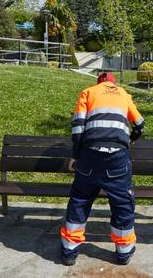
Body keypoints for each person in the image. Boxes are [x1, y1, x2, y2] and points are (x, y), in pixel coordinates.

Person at [60, 72, 144, 266]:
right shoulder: (124, 94)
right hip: (117, 158)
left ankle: (69, 251)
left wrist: (76, 155)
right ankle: (123, 251)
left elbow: (78, 128)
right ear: (113, 84)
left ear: (99, 82)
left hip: (90, 157)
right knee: (122, 201)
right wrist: (131, 139)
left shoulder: (88, 92)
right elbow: (140, 124)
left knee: (80, 199)